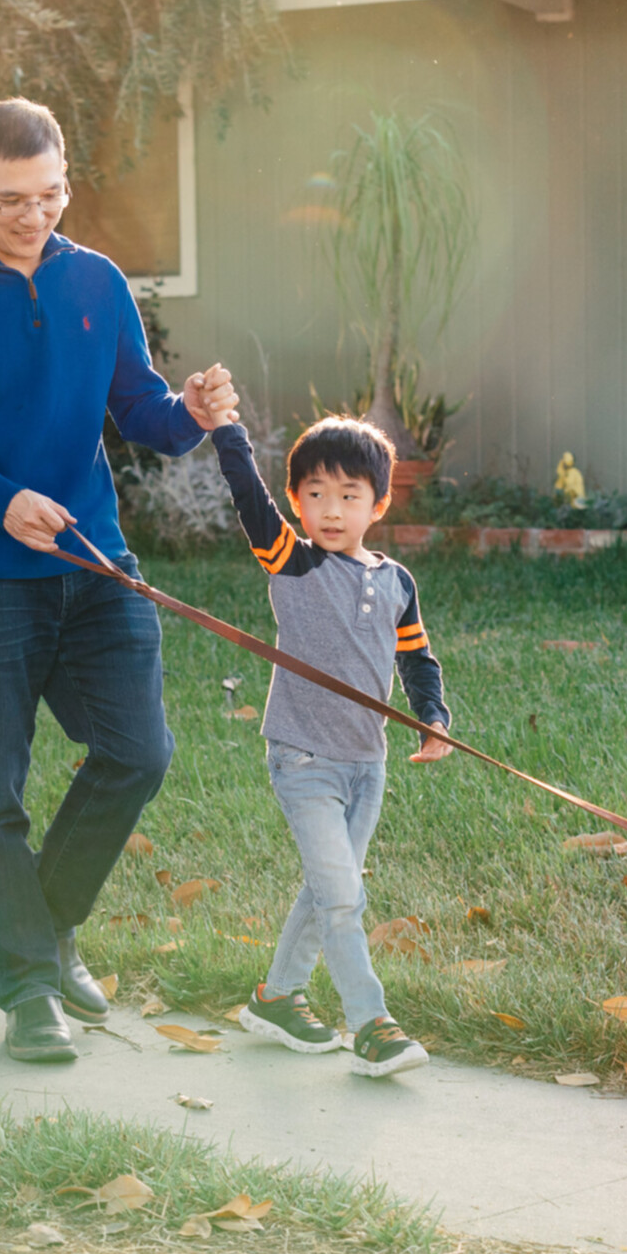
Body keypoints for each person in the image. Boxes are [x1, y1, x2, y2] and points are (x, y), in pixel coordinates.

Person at [0, 97, 238, 1063]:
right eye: (13, 200)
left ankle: (41, 923)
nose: (36, 215)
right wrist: (2, 501)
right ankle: (30, 988)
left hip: (94, 559)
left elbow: (143, 414)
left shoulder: (97, 280)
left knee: (138, 751)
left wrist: (192, 412)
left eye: (52, 194)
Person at [210, 413, 454, 1078]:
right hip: (303, 757)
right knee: (343, 895)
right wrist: (227, 431)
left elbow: (417, 659)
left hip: (367, 765)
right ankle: (371, 1024)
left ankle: (276, 998)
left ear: (379, 504)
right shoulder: (296, 562)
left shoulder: (397, 582)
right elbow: (249, 498)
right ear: (296, 502)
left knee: (329, 889)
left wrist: (432, 717)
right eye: (315, 494)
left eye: (349, 495)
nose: (332, 510)